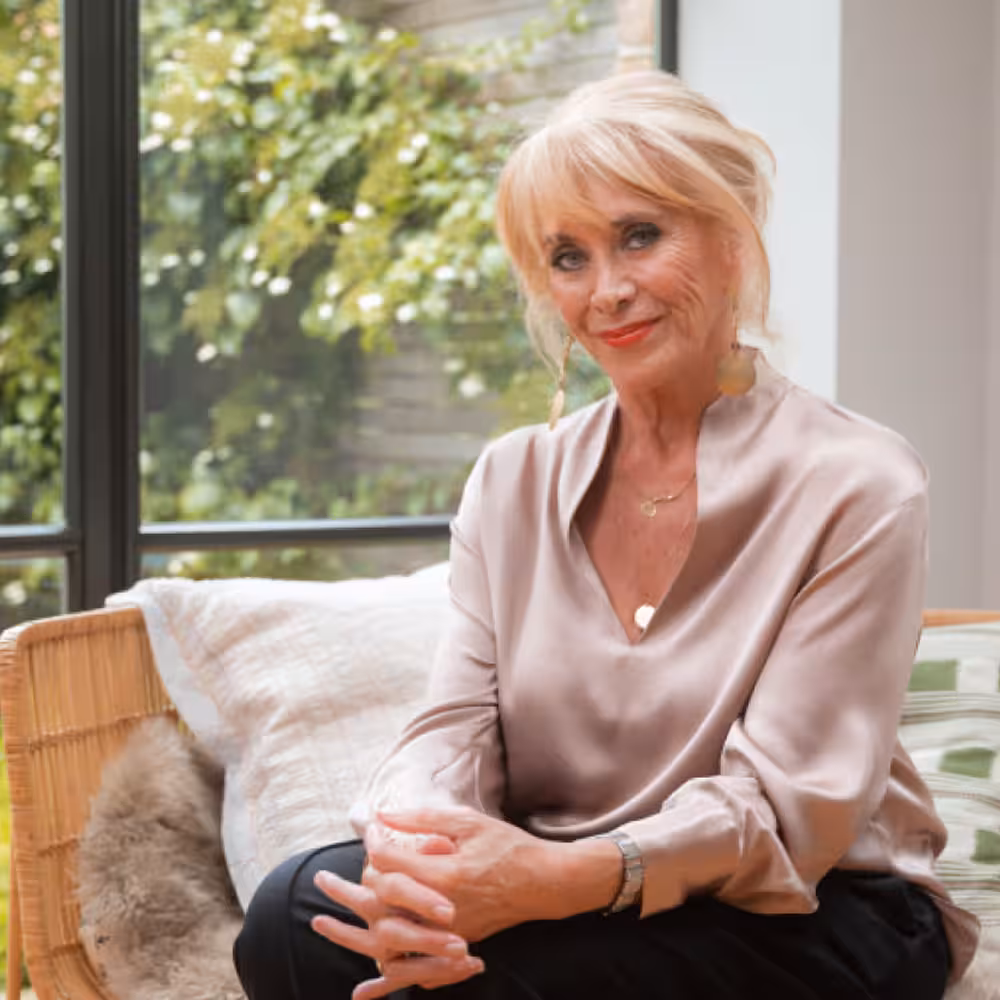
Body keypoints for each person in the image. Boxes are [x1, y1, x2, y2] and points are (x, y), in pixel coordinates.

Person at [233, 70, 979, 1000]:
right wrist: (418, 854)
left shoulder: (860, 480)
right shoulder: (512, 479)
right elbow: (451, 730)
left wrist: (558, 880)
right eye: (568, 256)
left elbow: (792, 809)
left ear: (732, 235)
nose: (608, 291)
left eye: (640, 236)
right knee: (295, 914)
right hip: (564, 884)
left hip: (807, 905)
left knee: (511, 973)